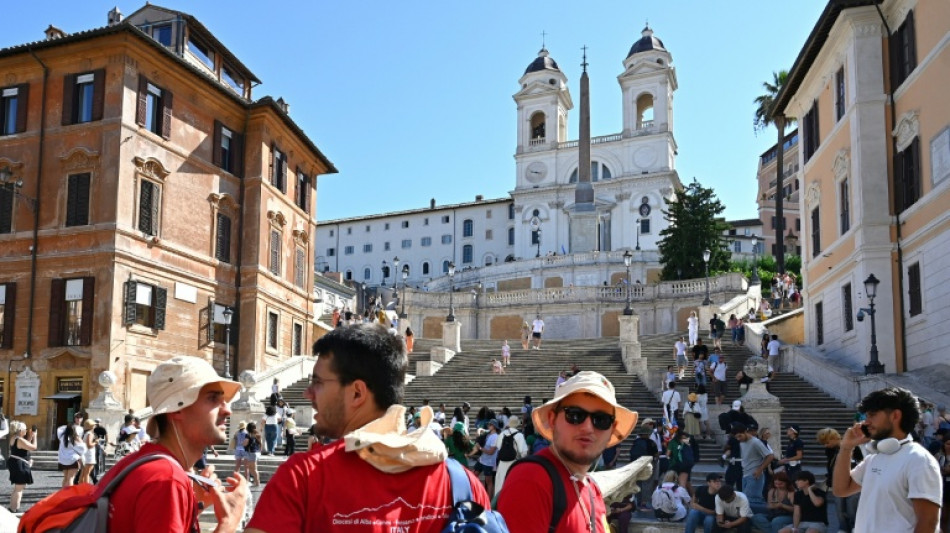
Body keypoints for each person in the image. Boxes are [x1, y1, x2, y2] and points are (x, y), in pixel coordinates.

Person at [245, 323, 491, 532]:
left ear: (357, 393)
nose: (307, 393)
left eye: (318, 383)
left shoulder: (303, 478)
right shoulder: (465, 486)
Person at [97, 356, 247, 532]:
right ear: (177, 409)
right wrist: (229, 521)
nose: (227, 410)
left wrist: (192, 507)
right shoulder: (166, 479)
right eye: (213, 398)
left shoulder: (138, 462)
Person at [497, 370, 638, 532]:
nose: (588, 427)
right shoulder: (531, 479)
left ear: (612, 429)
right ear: (552, 419)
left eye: (601, 420)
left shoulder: (591, 488)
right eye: (575, 415)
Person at [832, 386, 942, 533]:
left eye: (872, 415)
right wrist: (846, 448)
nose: (866, 422)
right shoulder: (875, 457)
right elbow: (841, 490)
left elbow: (928, 523)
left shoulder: (918, 460)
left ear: (895, 415)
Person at [815, 427, 861, 533]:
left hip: (853, 482)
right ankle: (843, 529)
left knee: (852, 509)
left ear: (834, 438)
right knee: (840, 510)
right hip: (837, 483)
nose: (826, 445)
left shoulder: (853, 447)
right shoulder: (830, 450)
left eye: (827, 442)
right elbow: (831, 466)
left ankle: (855, 528)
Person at [494, 416, 528, 496]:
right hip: (514, 463)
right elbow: (524, 452)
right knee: (513, 484)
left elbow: (498, 447)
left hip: (502, 463)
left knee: (500, 484)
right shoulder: (519, 435)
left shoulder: (502, 434)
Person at [7, 421, 36, 513]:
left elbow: (24, 446)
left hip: (15, 463)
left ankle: (14, 507)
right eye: (25, 429)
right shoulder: (19, 439)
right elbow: (33, 447)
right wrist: (35, 437)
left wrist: (30, 437)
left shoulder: (14, 438)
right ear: (20, 430)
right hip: (20, 465)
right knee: (19, 488)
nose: (26, 430)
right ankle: (13, 509)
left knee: (18, 488)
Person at [57, 414, 84, 488]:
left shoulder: (62, 437)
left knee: (66, 478)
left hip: (63, 460)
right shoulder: (75, 438)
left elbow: (59, 429)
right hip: (73, 459)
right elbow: (83, 449)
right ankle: (68, 496)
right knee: (70, 478)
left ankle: (63, 494)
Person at [79, 418, 97, 484]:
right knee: (87, 473)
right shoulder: (90, 434)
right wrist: (96, 442)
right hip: (89, 455)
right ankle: (86, 488)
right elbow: (89, 445)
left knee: (83, 473)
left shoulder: (86, 433)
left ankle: (81, 487)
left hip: (85, 454)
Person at [243, 422, 262, 486]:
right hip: (256, 452)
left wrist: (242, 444)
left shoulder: (248, 435)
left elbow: (245, 443)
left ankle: (257, 482)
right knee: (252, 468)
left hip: (251, 452)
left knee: (253, 469)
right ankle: (256, 481)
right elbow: (260, 443)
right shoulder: (257, 434)